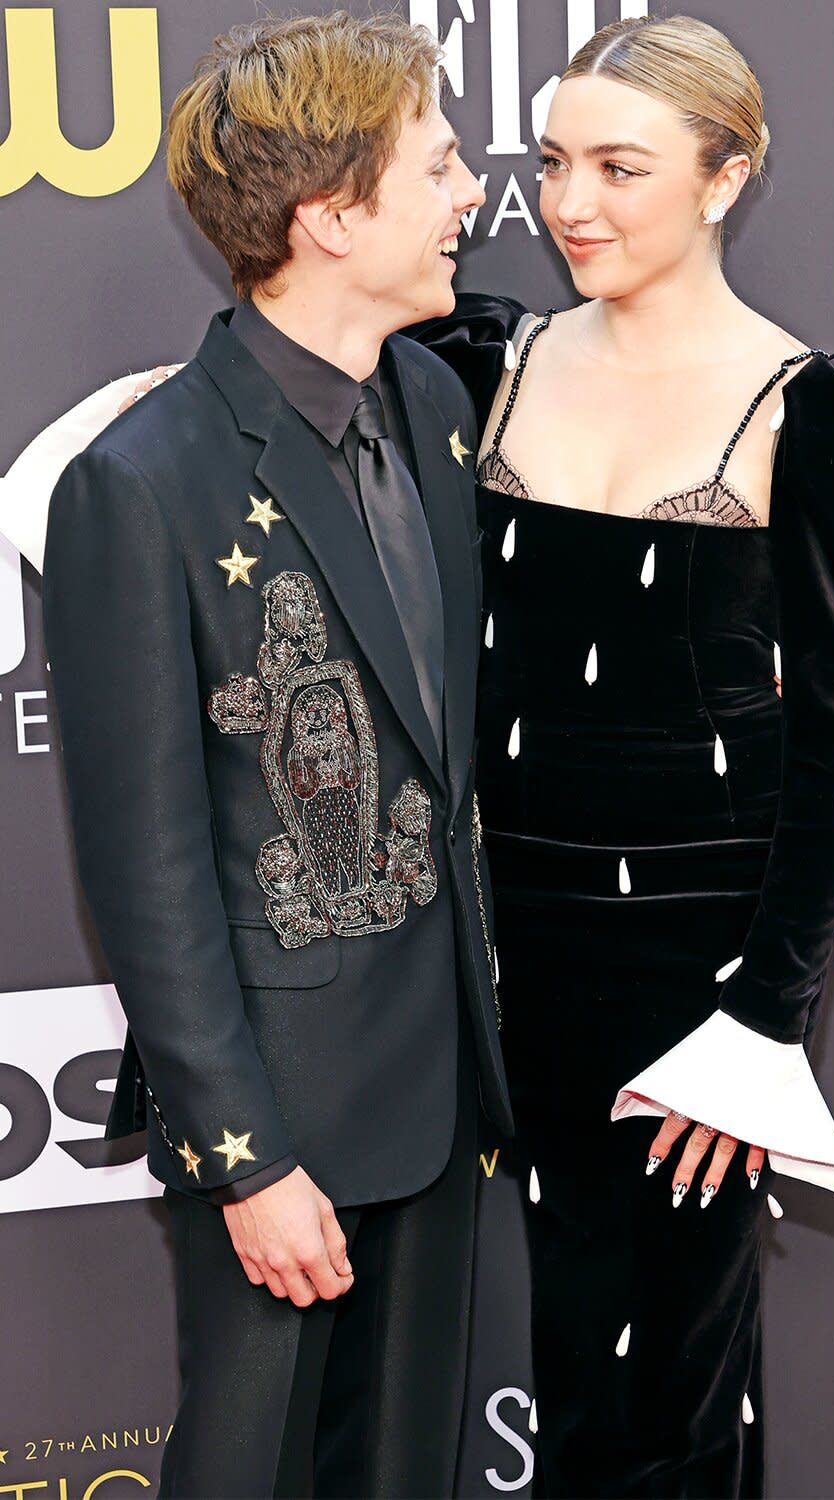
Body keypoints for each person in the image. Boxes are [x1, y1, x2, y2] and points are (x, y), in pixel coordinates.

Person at [405, 14, 834, 1497]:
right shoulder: (480, 364)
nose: (569, 205)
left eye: (620, 167)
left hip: (695, 976)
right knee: (574, 1345)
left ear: (727, 178)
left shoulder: (827, 413)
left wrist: (761, 1024)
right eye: (553, 165)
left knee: (662, 1389)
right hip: (493, 945)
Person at [36, 13, 511, 1499]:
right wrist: (245, 1158)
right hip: (283, 1119)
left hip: (440, 1091)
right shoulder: (143, 481)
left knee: (406, 1473)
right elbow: (148, 865)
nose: (469, 195)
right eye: (437, 166)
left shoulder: (431, 402)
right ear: (329, 218)